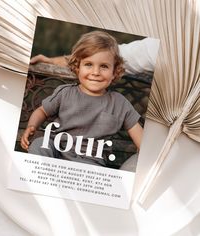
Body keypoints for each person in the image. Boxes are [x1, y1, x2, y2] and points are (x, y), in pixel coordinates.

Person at [21, 30, 143, 168]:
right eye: (88, 64)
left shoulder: (119, 103)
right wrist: (32, 126)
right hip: (57, 154)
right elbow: (42, 111)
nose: (95, 72)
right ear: (77, 67)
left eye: (104, 66)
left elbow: (141, 141)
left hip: (90, 166)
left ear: (114, 72)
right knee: (39, 144)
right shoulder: (65, 93)